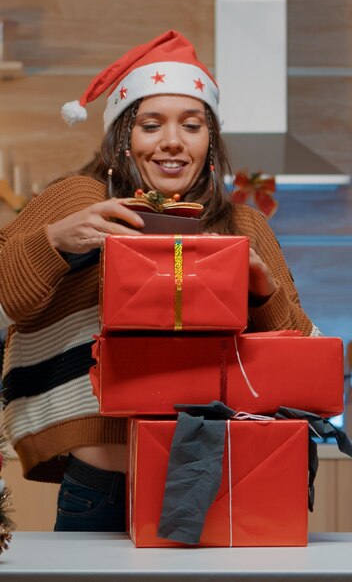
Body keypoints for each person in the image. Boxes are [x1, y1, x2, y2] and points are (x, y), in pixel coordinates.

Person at [0, 30, 319, 533]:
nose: (172, 141)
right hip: (100, 486)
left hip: (217, 479)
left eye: (191, 125)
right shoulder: (76, 201)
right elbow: (8, 297)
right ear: (123, 138)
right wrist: (55, 239)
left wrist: (264, 292)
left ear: (209, 140)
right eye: (151, 125)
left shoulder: (243, 227)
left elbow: (306, 363)